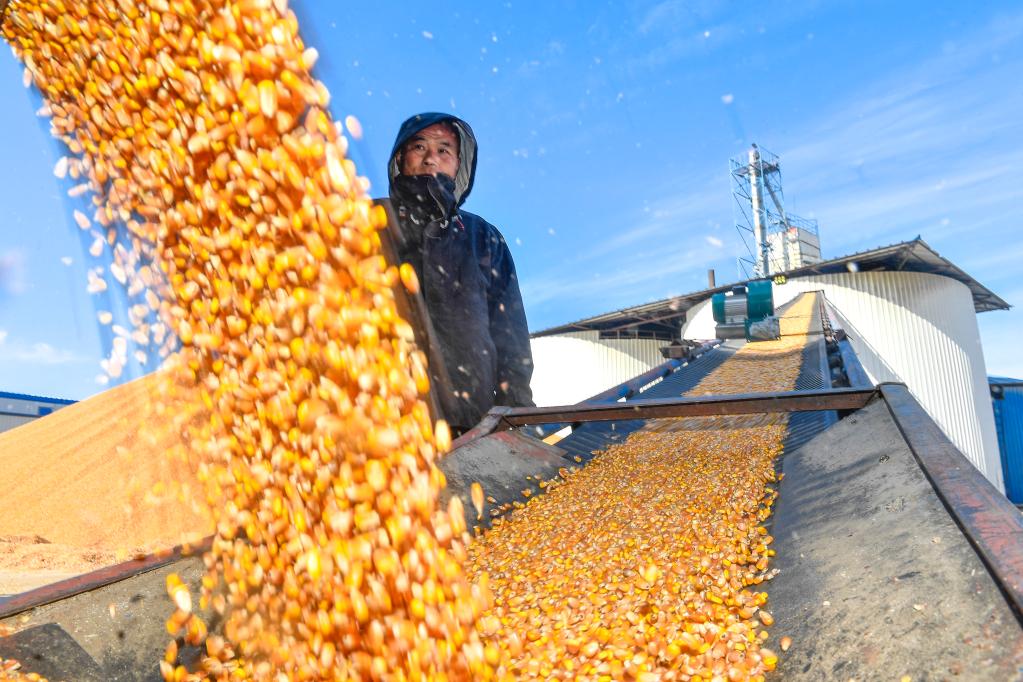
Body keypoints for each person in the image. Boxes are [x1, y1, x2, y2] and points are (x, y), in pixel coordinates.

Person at [385, 112, 534, 432]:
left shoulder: (482, 237)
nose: (430, 159)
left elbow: (510, 336)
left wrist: (518, 412)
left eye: (443, 150)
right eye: (419, 147)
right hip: (385, 424)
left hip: (471, 422)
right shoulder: (368, 223)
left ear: (457, 164)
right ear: (401, 157)